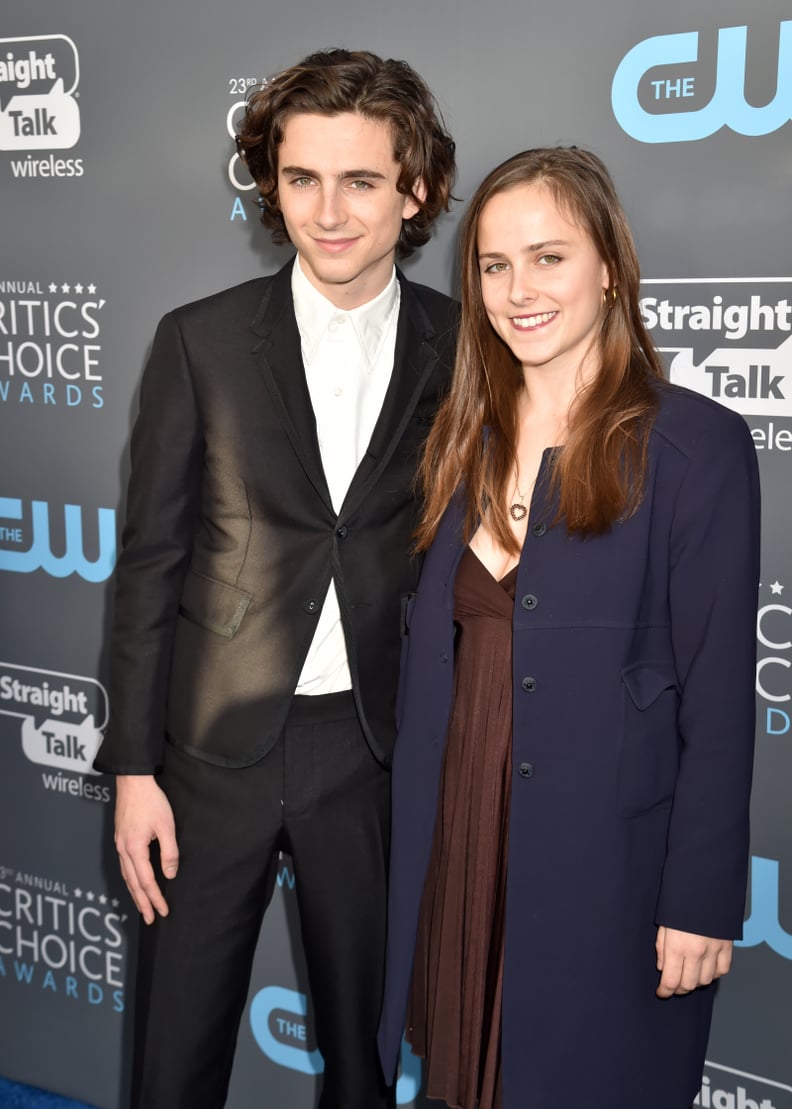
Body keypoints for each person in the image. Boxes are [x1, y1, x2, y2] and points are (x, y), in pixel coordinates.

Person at [93, 48, 457, 1109]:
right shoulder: (198, 342)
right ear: (270, 184)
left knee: (365, 1057)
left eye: (361, 181)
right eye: (301, 179)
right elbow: (150, 564)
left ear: (415, 188)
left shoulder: (468, 346)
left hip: (376, 749)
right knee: (175, 1056)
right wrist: (132, 768)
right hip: (209, 754)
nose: (328, 212)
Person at [377, 148, 760, 1109]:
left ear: (610, 269)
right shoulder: (462, 441)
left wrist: (702, 898)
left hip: (607, 863)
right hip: (466, 831)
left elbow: (717, 698)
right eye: (495, 266)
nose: (518, 290)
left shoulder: (694, 446)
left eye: (548, 258)